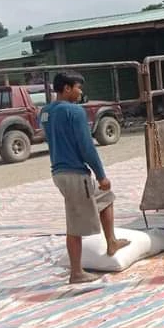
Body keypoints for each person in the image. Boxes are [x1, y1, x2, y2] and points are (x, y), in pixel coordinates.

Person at [41, 72, 129, 284]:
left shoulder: (44, 112)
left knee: (106, 198)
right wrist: (101, 175)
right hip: (75, 174)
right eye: (78, 88)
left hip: (59, 171)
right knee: (75, 224)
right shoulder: (74, 112)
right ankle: (76, 273)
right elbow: (86, 147)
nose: (81, 92)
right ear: (67, 89)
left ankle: (112, 241)